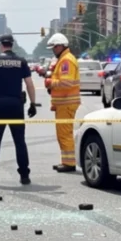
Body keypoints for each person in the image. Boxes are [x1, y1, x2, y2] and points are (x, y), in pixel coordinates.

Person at [0, 34, 38, 186]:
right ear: (12, 44)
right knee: (20, 142)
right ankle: (24, 175)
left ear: (1, 45)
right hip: (16, 105)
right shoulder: (21, 61)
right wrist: (33, 103)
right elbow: (29, 84)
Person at [45, 33, 81, 172]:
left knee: (65, 133)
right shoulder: (64, 59)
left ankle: (69, 163)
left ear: (60, 46)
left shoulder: (66, 60)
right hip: (63, 103)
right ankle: (66, 161)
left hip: (67, 102)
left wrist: (50, 82)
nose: (53, 51)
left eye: (54, 48)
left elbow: (66, 82)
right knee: (62, 133)